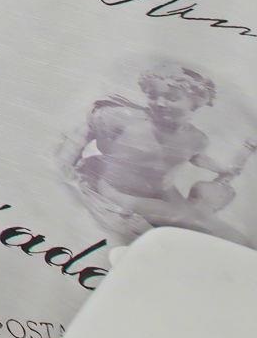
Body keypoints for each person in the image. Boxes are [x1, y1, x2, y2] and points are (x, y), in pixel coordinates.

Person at [61, 63, 257, 242]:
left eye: (172, 98)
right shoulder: (127, 119)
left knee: (195, 214)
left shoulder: (197, 139)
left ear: (195, 103)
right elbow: (90, 128)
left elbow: (197, 158)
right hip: (119, 192)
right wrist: (70, 160)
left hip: (161, 190)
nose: (160, 103)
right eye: (153, 96)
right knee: (191, 218)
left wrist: (223, 168)